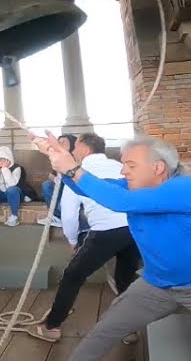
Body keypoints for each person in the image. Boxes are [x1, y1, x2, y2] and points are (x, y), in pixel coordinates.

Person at [36, 133, 191, 361]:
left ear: (158, 168)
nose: (123, 171)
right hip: (159, 284)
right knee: (106, 329)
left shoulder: (188, 188)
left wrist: (73, 169)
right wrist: (58, 159)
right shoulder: (134, 188)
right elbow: (88, 187)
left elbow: (120, 202)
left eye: (130, 165)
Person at [29, 133, 141, 343]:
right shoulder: (118, 166)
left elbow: (69, 214)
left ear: (85, 150)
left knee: (73, 276)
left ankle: (52, 326)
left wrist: (72, 241)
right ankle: (129, 330)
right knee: (125, 279)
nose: (72, 151)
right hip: (132, 229)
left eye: (75, 147)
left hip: (105, 231)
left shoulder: (78, 174)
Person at [0, 145, 33, 227]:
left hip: (13, 194)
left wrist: (5, 169)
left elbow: (12, 183)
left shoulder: (16, 168)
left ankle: (14, 216)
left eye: (4, 159)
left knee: (12, 189)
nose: (1, 161)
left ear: (9, 159)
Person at [38, 133, 76, 227]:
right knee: (47, 185)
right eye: (59, 142)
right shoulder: (57, 158)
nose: (60, 144)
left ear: (72, 144)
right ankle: (56, 217)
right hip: (60, 187)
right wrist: (54, 178)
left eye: (64, 142)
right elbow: (52, 176)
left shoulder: (76, 159)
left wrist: (59, 178)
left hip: (74, 189)